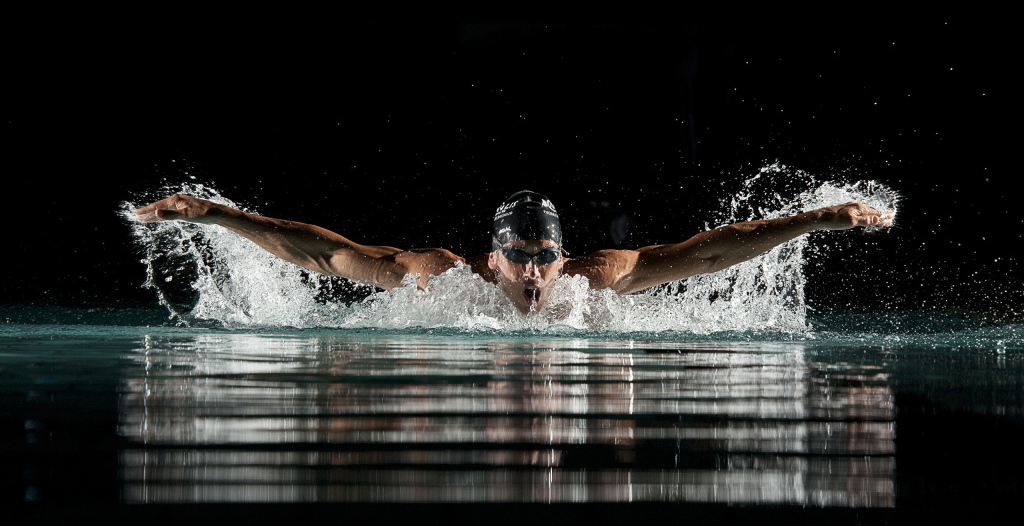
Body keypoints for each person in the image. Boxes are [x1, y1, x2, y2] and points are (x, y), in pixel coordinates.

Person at [135, 190, 894, 314]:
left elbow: (707, 254)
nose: (534, 273)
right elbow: (325, 255)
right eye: (519, 257)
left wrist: (815, 220)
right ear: (491, 259)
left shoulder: (597, 280)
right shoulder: (443, 278)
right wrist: (216, 215)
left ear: (565, 256)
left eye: (545, 256)